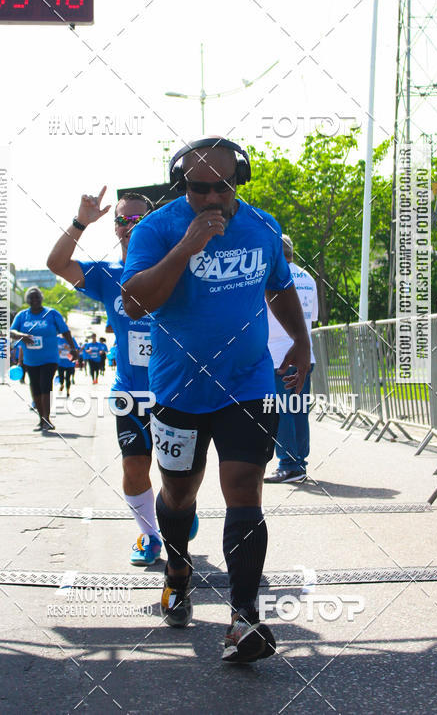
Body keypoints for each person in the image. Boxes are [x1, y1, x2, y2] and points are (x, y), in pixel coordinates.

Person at [121, 137, 310, 664]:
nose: (209, 198)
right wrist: (186, 248)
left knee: (244, 488)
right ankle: (177, 571)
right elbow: (135, 303)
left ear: (239, 181)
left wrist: (300, 338)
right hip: (179, 389)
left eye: (220, 187)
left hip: (248, 384)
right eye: (196, 188)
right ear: (183, 185)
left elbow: (278, 285)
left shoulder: (263, 225)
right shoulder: (157, 229)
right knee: (179, 496)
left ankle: (244, 618)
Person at [48, 189, 193, 567]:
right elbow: (57, 263)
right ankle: (149, 535)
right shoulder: (107, 276)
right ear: (114, 227)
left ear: (151, 222)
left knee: (176, 474)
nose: (129, 227)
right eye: (122, 220)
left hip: (174, 391)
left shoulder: (175, 267)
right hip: (129, 392)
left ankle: (178, 507)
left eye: (137, 219)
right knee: (134, 466)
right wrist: (81, 221)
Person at [264, 234, 318, 483]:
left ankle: (288, 464)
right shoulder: (307, 278)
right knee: (298, 410)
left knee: (282, 412)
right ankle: (299, 462)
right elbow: (312, 318)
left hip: (279, 355)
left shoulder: (274, 277)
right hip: (305, 354)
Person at [10, 287, 77, 431]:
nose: (34, 300)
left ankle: (47, 419)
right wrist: (22, 335)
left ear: (41, 298)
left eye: (37, 297)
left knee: (45, 384)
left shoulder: (51, 314)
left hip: (49, 358)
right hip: (31, 359)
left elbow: (65, 331)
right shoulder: (22, 316)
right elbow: (12, 331)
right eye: (31, 298)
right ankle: (41, 419)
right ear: (27, 300)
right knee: (35, 387)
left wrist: (73, 348)